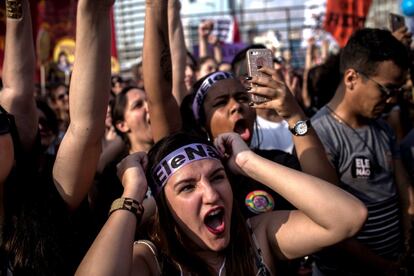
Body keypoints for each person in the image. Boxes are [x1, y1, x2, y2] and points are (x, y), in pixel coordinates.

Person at [76, 131, 367, 275]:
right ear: (164, 205)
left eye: (217, 178)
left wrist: (248, 162)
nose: (212, 195)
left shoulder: (257, 236)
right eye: (188, 187)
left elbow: (349, 217)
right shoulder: (151, 259)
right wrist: (133, 193)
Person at [311, 28, 414, 275]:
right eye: (387, 90)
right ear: (351, 79)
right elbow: (332, 226)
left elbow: (405, 194)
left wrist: (408, 252)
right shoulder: (317, 137)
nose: (391, 100)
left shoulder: (382, 128)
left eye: (398, 92)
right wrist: (387, 269)